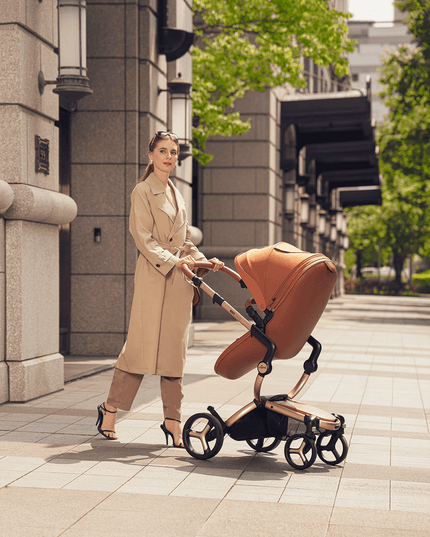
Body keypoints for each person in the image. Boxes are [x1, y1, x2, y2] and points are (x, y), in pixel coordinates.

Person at [95, 131, 223, 447]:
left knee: (173, 353)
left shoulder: (177, 195)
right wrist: (174, 261)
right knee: (139, 348)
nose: (168, 157)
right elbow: (143, 238)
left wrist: (204, 262)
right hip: (154, 278)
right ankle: (109, 410)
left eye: (173, 152)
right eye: (162, 151)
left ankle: (172, 422)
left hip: (179, 283)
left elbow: (186, 241)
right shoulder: (142, 191)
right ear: (150, 155)